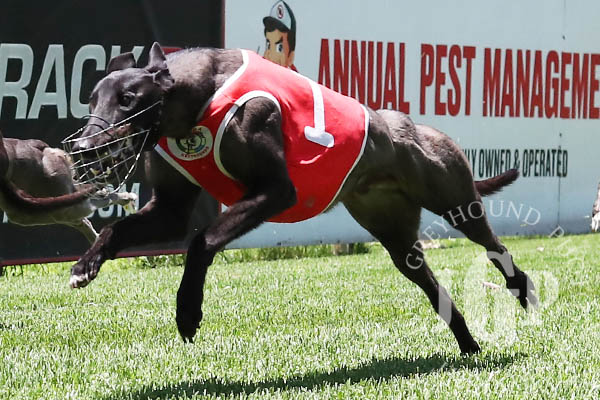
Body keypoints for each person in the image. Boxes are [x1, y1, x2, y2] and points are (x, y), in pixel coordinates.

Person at [263, 0, 298, 71]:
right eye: (268, 46)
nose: (271, 56)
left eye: (280, 48)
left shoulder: (293, 77)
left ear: (291, 56)